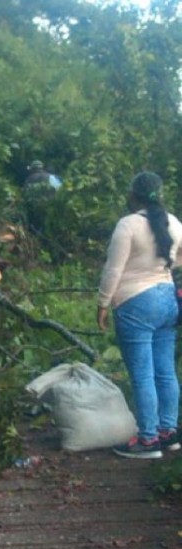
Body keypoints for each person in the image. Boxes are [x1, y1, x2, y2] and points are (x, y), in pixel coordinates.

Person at [97, 171, 182, 459]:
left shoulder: (128, 224)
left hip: (135, 302)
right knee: (165, 370)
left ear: (133, 195)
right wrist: (167, 266)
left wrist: (103, 303)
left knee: (143, 374)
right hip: (167, 299)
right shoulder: (173, 222)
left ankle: (147, 439)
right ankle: (168, 432)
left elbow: (114, 270)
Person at [21, 160, 61, 234]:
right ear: (42, 168)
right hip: (49, 207)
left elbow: (24, 194)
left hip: (33, 209)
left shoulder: (28, 179)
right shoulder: (50, 176)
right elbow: (59, 189)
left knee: (34, 229)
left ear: (32, 169)